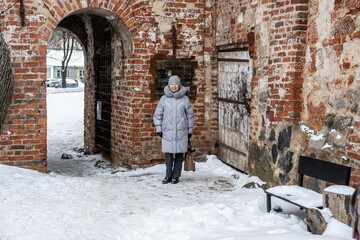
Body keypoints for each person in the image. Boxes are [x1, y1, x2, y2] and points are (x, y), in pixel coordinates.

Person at [153, 75, 194, 184]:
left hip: (181, 131)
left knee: (179, 155)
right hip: (168, 131)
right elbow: (157, 115)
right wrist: (159, 128)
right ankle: (168, 175)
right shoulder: (163, 99)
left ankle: (176, 176)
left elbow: (190, 115)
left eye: (176, 84)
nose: (174, 86)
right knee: (168, 155)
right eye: (172, 84)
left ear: (179, 85)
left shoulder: (185, 99)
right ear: (169, 85)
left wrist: (190, 130)